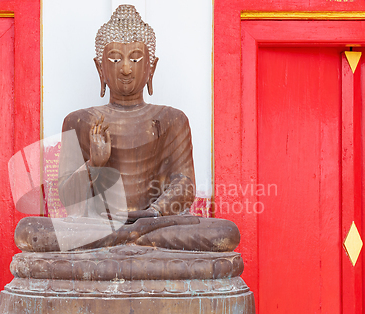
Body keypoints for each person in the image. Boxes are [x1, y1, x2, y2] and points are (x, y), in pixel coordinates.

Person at [15, 5, 239, 252]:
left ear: (151, 68)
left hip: (155, 223)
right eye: (114, 59)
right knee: (29, 231)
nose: (125, 68)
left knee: (225, 233)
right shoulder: (79, 121)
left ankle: (128, 239)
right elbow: (68, 198)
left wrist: (152, 214)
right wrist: (94, 165)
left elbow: (184, 187)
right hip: (98, 226)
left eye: (135, 59)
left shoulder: (172, 120)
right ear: (100, 68)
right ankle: (134, 240)